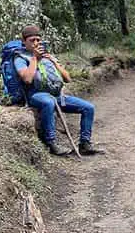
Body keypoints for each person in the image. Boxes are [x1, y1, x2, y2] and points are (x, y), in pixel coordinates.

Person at [15, 25, 98, 156]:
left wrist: (54, 62)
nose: (36, 43)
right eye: (32, 40)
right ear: (24, 42)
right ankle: (51, 142)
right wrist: (35, 59)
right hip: (36, 95)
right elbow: (27, 79)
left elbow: (67, 78)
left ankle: (85, 144)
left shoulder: (48, 57)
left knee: (88, 108)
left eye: (38, 40)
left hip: (57, 95)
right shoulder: (20, 58)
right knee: (48, 102)